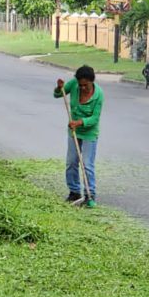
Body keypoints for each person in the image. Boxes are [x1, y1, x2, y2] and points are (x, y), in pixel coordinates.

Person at [53, 65, 104, 208]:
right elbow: (58, 94)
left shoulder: (99, 95)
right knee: (71, 162)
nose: (82, 88)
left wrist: (80, 122)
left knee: (87, 164)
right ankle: (74, 191)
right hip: (74, 131)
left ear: (91, 82)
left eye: (85, 85)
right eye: (80, 85)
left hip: (89, 133)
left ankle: (90, 194)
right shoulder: (74, 84)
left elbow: (95, 118)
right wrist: (59, 88)